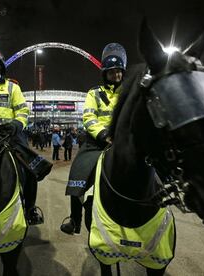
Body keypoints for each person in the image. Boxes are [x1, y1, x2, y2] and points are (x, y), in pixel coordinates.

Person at [0, 40, 52, 225]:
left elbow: (23, 111)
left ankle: (30, 209)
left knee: (30, 169)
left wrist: (15, 125)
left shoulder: (12, 87)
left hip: (8, 136)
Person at [60, 43, 127, 235]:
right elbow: (89, 117)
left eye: (118, 72)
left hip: (123, 142)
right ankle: (74, 219)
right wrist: (104, 135)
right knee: (77, 174)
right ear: (105, 74)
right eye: (111, 72)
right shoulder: (94, 93)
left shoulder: (129, 92)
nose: (116, 75)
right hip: (97, 143)